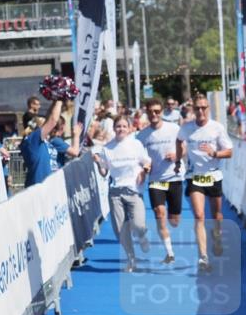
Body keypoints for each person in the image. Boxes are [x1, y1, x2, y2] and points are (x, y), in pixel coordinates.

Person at [175, 93, 233, 274]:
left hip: (213, 175)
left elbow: (229, 151)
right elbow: (179, 140)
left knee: (216, 215)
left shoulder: (216, 128)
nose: (200, 111)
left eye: (203, 108)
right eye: (197, 108)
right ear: (193, 109)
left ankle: (217, 235)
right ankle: (203, 256)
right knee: (199, 215)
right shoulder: (187, 128)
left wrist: (214, 153)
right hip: (195, 177)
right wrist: (178, 159)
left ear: (208, 109)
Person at [93, 115, 151, 272]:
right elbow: (104, 172)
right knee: (120, 230)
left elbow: (146, 161)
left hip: (133, 191)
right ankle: (131, 259)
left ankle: (142, 236)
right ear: (114, 128)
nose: (121, 129)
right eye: (118, 126)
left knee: (139, 225)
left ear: (130, 128)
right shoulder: (107, 148)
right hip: (115, 193)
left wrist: (144, 171)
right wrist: (98, 162)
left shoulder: (135, 144)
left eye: (124, 126)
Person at [137, 98, 183, 264]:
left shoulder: (174, 129)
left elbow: (184, 148)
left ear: (162, 112)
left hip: (174, 177)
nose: (154, 114)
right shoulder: (142, 135)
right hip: (156, 180)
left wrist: (177, 155)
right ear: (147, 113)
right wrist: (145, 167)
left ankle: (172, 220)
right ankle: (169, 253)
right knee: (159, 213)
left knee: (174, 221)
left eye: (157, 111)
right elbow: (139, 157)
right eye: (151, 112)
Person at [20, 99, 82, 187]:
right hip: (39, 189)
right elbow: (52, 120)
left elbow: (49, 117)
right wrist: (60, 99)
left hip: (51, 188)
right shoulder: (32, 140)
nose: (46, 125)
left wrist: (55, 100)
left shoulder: (41, 140)